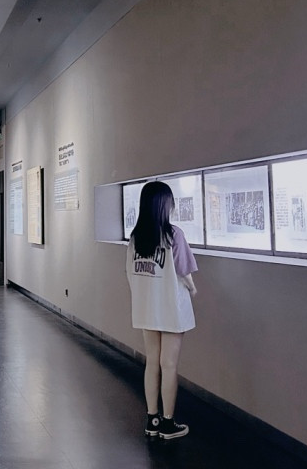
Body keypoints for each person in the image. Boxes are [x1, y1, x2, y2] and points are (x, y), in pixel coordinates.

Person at [126, 180, 198, 440]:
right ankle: (168, 423)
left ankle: (152, 419)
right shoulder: (173, 235)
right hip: (171, 309)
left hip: (147, 308)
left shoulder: (135, 238)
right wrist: (193, 289)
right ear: (165, 205)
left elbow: (130, 273)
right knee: (169, 365)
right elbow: (184, 271)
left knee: (152, 363)